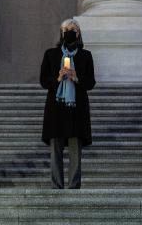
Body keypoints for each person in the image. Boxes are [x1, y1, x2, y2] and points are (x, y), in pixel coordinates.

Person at [39, 19, 96, 189]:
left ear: (78, 33)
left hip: (76, 109)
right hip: (56, 109)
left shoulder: (86, 55)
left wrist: (76, 77)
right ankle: (56, 186)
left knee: (75, 151)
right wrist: (58, 78)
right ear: (61, 33)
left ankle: (73, 187)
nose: (69, 32)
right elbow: (43, 80)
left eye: (73, 29)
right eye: (66, 29)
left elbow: (91, 82)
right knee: (55, 150)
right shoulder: (51, 54)